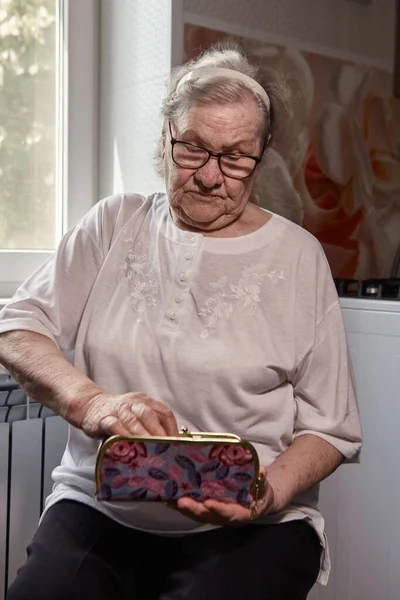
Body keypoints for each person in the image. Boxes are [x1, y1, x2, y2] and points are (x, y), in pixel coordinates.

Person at [0, 44, 362, 600]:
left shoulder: (299, 256)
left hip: (255, 522)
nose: (211, 176)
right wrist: (95, 403)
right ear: (166, 138)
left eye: (236, 156)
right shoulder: (113, 223)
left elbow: (329, 427)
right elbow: (17, 328)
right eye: (193, 148)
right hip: (102, 504)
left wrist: (266, 494)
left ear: (260, 159)